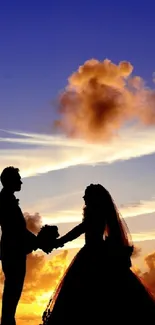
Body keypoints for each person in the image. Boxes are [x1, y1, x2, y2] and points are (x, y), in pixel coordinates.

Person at [41, 184, 155, 324]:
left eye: (86, 195)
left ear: (93, 198)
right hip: (96, 252)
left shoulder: (95, 213)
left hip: (92, 254)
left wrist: (59, 242)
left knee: (86, 290)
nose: (83, 197)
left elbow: (79, 230)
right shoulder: (97, 212)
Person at [0, 167, 58, 325]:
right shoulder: (6, 200)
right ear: (10, 181)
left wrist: (38, 241)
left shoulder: (7, 199)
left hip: (13, 251)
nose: (21, 181)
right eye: (18, 178)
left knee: (13, 292)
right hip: (13, 252)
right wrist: (40, 241)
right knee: (13, 291)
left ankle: (7, 321)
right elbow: (17, 231)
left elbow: (20, 231)